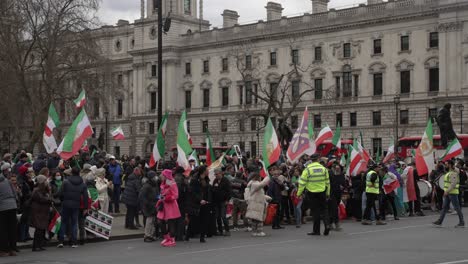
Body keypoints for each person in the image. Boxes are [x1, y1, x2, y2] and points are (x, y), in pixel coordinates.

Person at [297, 154, 331, 236]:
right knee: (324, 209)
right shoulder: (324, 169)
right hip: (322, 191)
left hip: (312, 193)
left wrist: (299, 193)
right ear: (318, 159)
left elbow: (302, 183)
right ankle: (327, 225)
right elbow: (328, 183)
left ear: (311, 160)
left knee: (316, 211)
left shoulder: (307, 169)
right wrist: (328, 193)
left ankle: (316, 231)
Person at [58, 166, 89, 248]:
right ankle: (74, 242)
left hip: (66, 204)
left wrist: (62, 200)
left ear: (71, 172)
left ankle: (61, 241)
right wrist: (86, 207)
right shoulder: (82, 183)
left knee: (64, 222)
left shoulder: (65, 182)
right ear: (79, 173)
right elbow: (86, 197)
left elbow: (60, 193)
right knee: (74, 223)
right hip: (76, 205)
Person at [433, 160, 465, 228]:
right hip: (449, 193)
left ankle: (462, 222)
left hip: (452, 193)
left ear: (450, 165)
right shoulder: (450, 172)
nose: (445, 165)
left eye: (447, 164)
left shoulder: (453, 173)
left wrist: (447, 191)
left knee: (457, 207)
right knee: (444, 208)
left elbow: (453, 184)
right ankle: (439, 221)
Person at [186, 166, 211, 243]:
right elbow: (192, 192)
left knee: (205, 220)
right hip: (196, 203)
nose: (208, 171)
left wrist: (208, 200)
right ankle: (188, 234)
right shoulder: (194, 180)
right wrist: (199, 200)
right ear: (203, 171)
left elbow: (207, 191)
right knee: (193, 220)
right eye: (207, 170)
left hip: (205, 202)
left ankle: (202, 237)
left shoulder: (206, 179)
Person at [157, 169, 181, 247]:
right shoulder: (163, 183)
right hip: (163, 205)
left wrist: (166, 198)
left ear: (166, 176)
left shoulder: (172, 183)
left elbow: (176, 195)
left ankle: (172, 239)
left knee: (171, 223)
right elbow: (162, 193)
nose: (161, 176)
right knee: (160, 221)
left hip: (171, 206)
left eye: (162, 174)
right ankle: (167, 238)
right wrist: (160, 198)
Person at [30, 175, 52, 252]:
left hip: (43, 211)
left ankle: (40, 245)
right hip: (38, 212)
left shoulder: (45, 190)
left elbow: (48, 197)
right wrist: (49, 199)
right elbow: (41, 199)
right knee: (39, 229)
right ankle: (35, 246)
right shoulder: (36, 190)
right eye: (45, 180)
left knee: (42, 229)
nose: (46, 182)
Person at [245, 172, 270, 237]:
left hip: (254, 202)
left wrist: (266, 197)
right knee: (259, 219)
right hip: (257, 203)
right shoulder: (255, 184)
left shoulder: (251, 184)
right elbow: (262, 184)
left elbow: (258, 194)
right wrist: (267, 177)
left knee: (254, 219)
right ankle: (259, 231)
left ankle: (254, 232)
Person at [0, 165, 18, 257]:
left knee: (3, 229)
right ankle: (13, 249)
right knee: (12, 229)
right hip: (12, 206)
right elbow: (14, 193)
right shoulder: (7, 181)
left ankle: (3, 250)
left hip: (2, 208)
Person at [139, 171, 159, 242]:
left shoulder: (154, 185)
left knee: (153, 221)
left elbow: (156, 194)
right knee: (149, 220)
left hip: (154, 205)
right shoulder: (146, 186)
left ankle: (151, 235)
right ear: (151, 178)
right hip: (149, 206)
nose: (156, 177)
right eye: (154, 176)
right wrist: (147, 204)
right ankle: (147, 235)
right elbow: (142, 196)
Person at [211, 168, 232, 236]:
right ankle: (220, 231)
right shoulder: (215, 181)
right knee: (217, 217)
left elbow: (229, 191)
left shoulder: (226, 181)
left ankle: (227, 230)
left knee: (223, 216)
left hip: (223, 201)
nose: (216, 175)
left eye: (217, 174)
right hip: (216, 201)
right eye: (215, 174)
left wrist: (227, 200)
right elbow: (213, 189)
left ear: (221, 173)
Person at [329, 164, 345, 231]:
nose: (337, 169)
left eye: (339, 168)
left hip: (338, 194)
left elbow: (343, 183)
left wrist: (342, 186)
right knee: (334, 208)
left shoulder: (341, 175)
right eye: (336, 168)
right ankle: (336, 224)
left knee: (334, 209)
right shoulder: (330, 174)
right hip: (331, 193)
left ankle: (330, 223)